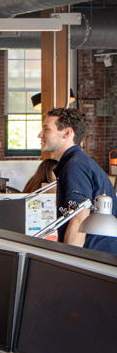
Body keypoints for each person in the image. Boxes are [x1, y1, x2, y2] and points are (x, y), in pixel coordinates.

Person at [39, 107, 117, 255]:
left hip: (94, 258)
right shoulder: (77, 162)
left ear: (67, 133)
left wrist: (68, 263)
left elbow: (78, 219)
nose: (40, 135)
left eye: (46, 129)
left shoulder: (75, 167)